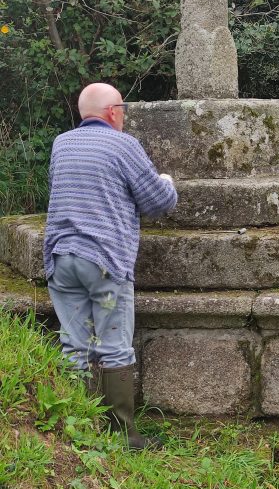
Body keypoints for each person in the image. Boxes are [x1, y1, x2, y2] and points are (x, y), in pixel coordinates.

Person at [43, 82, 178, 449]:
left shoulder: (62, 143)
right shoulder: (124, 145)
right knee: (115, 347)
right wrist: (167, 181)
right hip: (103, 260)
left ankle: (76, 430)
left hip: (61, 258)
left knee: (74, 345)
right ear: (114, 111)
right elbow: (157, 201)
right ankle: (124, 436)